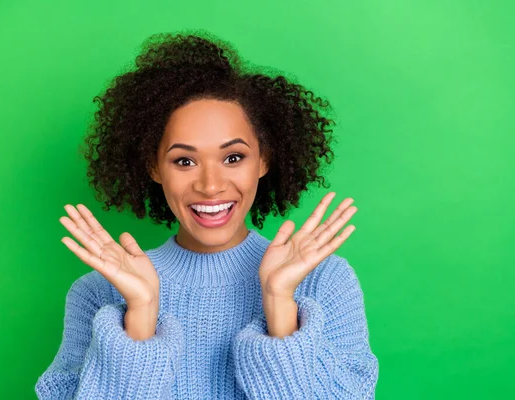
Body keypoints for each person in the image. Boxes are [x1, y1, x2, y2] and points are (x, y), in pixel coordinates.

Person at [35, 30, 379, 399]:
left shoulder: (325, 280)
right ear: (154, 167)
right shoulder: (98, 291)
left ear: (264, 160)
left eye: (233, 158)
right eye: (184, 160)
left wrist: (280, 305)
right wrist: (140, 316)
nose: (211, 185)